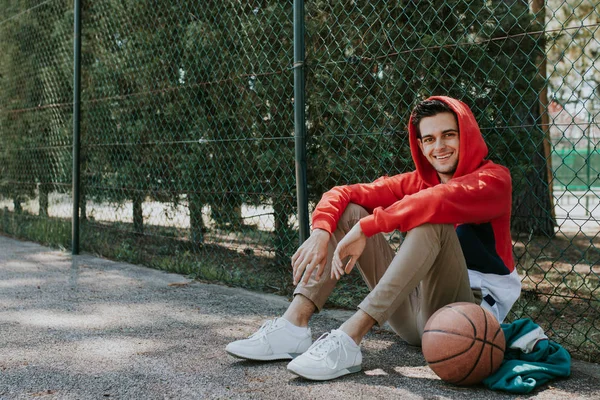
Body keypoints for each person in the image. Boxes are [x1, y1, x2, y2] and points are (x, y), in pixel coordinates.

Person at [225, 96, 521, 381]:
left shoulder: (494, 180)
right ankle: (293, 326)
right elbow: (344, 193)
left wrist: (368, 228)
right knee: (349, 212)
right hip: (415, 313)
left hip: (469, 316)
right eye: (429, 139)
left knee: (433, 224)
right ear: (420, 144)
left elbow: (437, 201)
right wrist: (320, 230)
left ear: (466, 136)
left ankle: (348, 339)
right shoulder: (418, 181)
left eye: (449, 135)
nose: (439, 146)